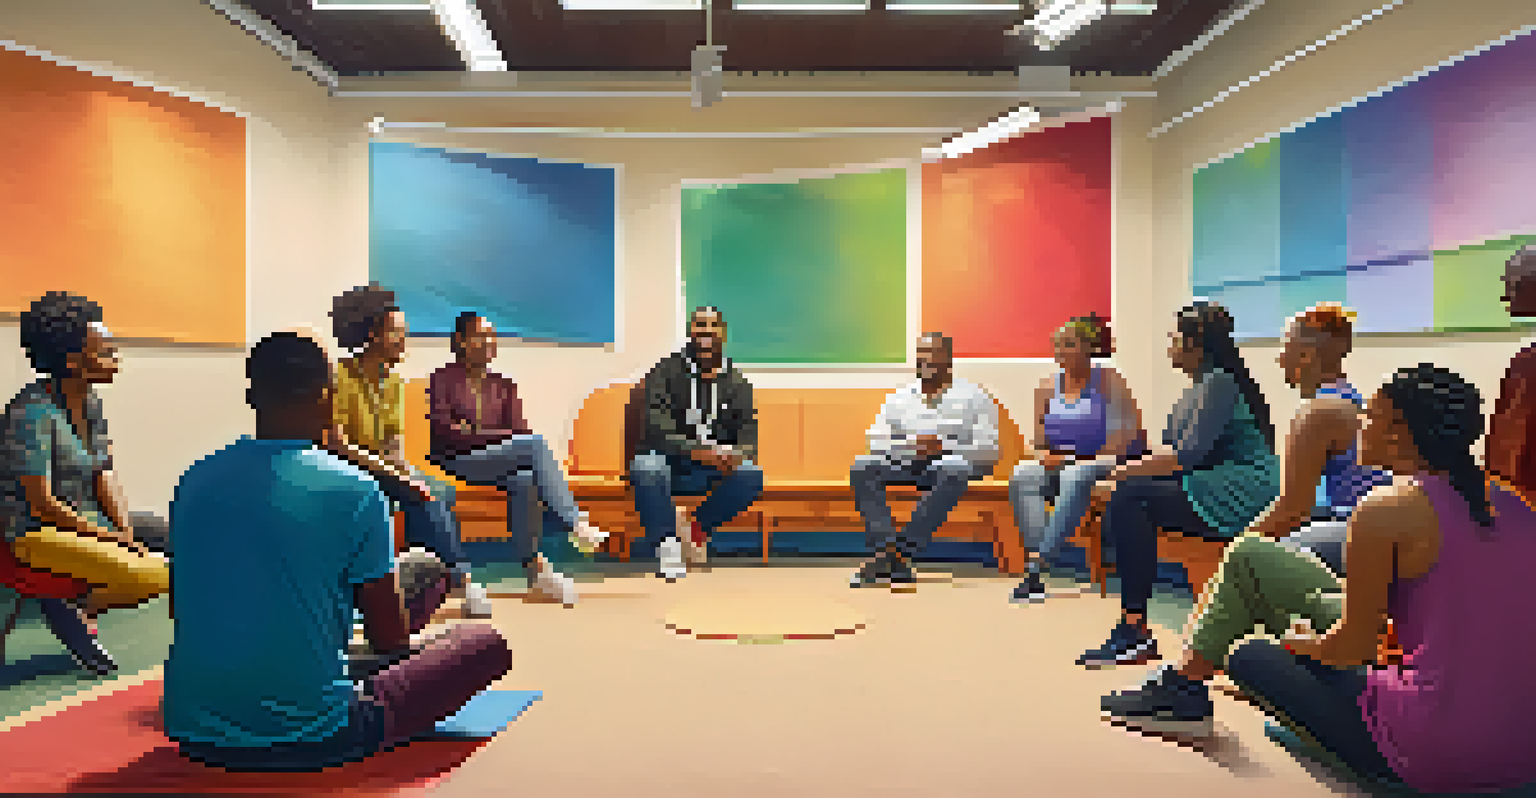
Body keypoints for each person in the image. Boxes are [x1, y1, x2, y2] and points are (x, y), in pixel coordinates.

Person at [1100, 364, 1536, 795]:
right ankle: (1182, 684)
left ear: (1397, 432)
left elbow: (1354, 650)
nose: (1359, 427)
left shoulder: (1385, 511)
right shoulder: (1518, 507)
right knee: (1252, 556)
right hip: (1523, 756)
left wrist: (1302, 644)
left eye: (1369, 418)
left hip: (1434, 756)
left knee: (1247, 654)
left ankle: (1185, 689)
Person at [164, 331, 513, 772]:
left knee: (422, 569)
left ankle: (317, 663)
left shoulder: (194, 479)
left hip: (194, 728)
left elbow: (182, 609)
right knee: (482, 644)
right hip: (318, 733)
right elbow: (390, 641)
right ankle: (326, 675)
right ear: (328, 398)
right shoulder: (355, 490)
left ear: (251, 396)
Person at [1078, 301, 1278, 668]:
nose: (1169, 345)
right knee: (1127, 492)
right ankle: (1133, 629)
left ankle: (1134, 630)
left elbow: (1186, 456)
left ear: (1195, 345)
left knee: (1131, 497)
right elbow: (1172, 453)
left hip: (1240, 489)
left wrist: (1121, 474)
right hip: (1211, 484)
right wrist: (1125, 469)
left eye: (1174, 338)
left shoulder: (1219, 382)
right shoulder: (1199, 387)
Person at [0, 292, 171, 676]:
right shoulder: (30, 413)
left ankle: (72, 606)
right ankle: (70, 605)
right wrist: (111, 538)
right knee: (159, 575)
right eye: (105, 352)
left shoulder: (90, 402)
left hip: (85, 519)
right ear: (73, 362)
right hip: (35, 530)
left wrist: (124, 530)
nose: (116, 358)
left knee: (174, 539)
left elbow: (103, 471)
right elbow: (41, 504)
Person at [326, 284, 491, 618]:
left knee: (436, 491)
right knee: (420, 493)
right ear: (373, 335)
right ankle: (460, 581)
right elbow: (337, 445)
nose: (404, 340)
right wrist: (399, 476)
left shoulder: (393, 383)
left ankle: (420, 583)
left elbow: (393, 445)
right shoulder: (341, 376)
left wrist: (406, 472)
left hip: (378, 469)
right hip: (343, 468)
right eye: (396, 333)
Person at [428, 312, 607, 606]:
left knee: (524, 480)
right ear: (461, 341)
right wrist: (493, 436)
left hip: (493, 461)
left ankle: (535, 570)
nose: (489, 342)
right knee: (535, 445)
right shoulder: (442, 379)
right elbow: (446, 433)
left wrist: (476, 433)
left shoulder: (504, 385)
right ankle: (575, 523)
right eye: (480, 336)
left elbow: (517, 431)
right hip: (456, 461)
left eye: (492, 336)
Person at [1008, 315, 1145, 603]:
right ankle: (1038, 558)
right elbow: (1039, 441)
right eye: (1057, 345)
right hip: (1063, 463)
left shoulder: (1109, 380)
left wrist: (1077, 459)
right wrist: (1044, 455)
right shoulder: (1047, 386)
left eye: (1069, 344)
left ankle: (1037, 568)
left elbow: (1124, 436)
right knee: (1022, 474)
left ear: (1088, 347)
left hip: (1106, 461)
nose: (1061, 351)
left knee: (1076, 474)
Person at [850, 332, 1001, 588]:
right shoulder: (900, 397)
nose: (925, 359)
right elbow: (876, 440)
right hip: (907, 462)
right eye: (921, 353)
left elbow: (989, 449)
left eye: (933, 353)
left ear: (948, 359)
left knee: (954, 468)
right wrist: (910, 447)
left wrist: (944, 447)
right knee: (862, 466)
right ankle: (886, 550)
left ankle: (901, 552)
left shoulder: (974, 397)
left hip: (948, 465)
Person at [630, 306, 764, 581]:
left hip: (711, 468)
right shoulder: (665, 371)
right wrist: (697, 451)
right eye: (699, 325)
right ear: (690, 331)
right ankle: (667, 545)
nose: (706, 331)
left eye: (712, 326)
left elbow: (749, 436)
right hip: (668, 462)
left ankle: (695, 529)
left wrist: (735, 454)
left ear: (722, 333)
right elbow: (656, 430)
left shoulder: (737, 382)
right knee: (645, 466)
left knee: (751, 474)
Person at [1258, 303, 1391, 578]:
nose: (1280, 359)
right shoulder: (1350, 398)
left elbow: (1293, 511)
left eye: (1285, 348)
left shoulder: (1319, 413)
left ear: (1305, 355)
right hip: (1373, 526)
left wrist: (1234, 550)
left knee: (1249, 560)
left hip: (1361, 533)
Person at [1488, 243, 1536, 504]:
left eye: (1513, 285)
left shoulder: (1528, 363)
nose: (1505, 297)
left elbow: (1510, 449)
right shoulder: (1524, 360)